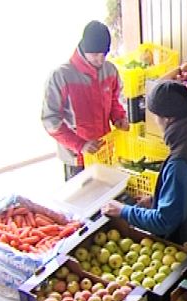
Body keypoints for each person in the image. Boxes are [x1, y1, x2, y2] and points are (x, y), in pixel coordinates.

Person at [102, 80, 187, 271]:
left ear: (167, 119)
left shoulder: (181, 162)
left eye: (156, 117)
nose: (156, 123)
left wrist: (123, 211)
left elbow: (163, 222)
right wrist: (158, 199)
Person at [42, 20, 129, 181]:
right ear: (84, 49)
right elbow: (50, 121)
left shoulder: (110, 70)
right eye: (95, 55)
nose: (100, 60)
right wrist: (80, 145)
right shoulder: (61, 76)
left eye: (104, 54)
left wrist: (118, 117)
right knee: (83, 195)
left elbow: (114, 99)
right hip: (76, 157)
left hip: (104, 150)